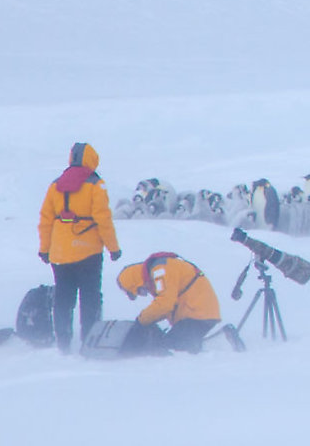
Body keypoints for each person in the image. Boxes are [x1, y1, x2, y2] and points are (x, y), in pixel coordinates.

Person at [37, 143, 122, 353]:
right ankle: (89, 341)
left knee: (63, 299)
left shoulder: (55, 185)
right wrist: (113, 248)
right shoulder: (96, 185)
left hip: (59, 253)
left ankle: (63, 342)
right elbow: (103, 219)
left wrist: (45, 249)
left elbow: (46, 220)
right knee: (90, 298)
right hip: (88, 252)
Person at [114, 252, 223, 354]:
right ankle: (212, 343)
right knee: (175, 345)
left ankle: (218, 345)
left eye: (140, 290)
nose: (145, 293)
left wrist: (141, 321)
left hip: (196, 316)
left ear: (137, 281)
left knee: (169, 350)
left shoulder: (160, 271)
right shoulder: (160, 270)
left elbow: (165, 304)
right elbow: (165, 307)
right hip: (197, 314)